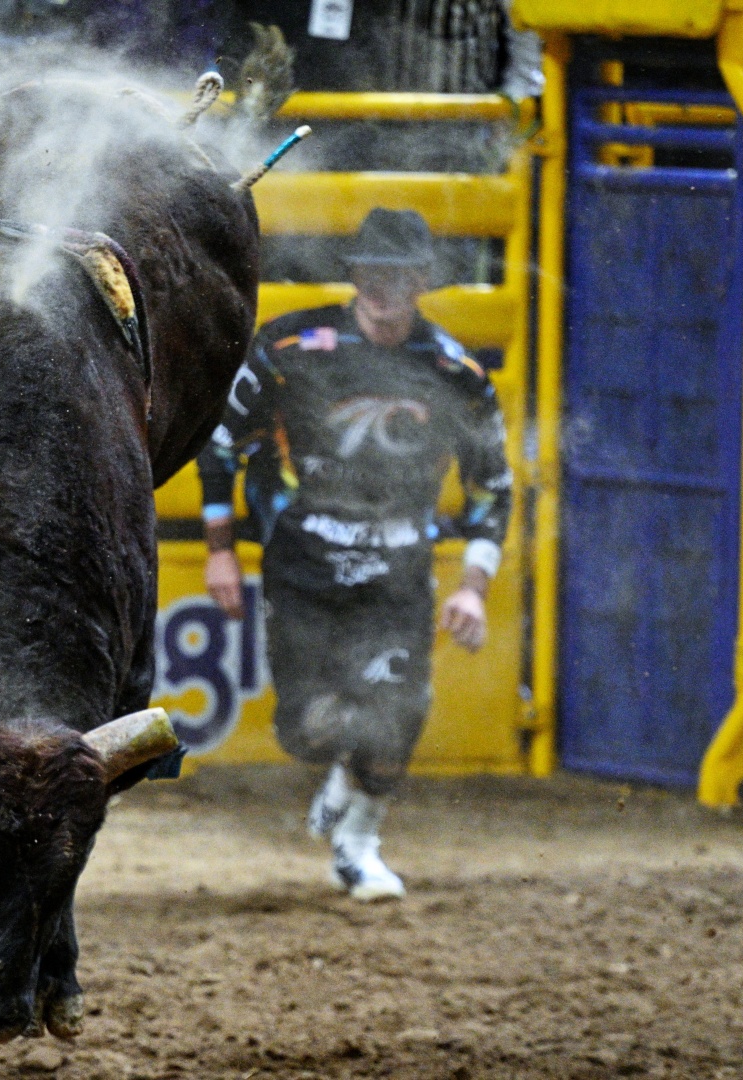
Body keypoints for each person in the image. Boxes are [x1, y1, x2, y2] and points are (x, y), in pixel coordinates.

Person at [198, 208, 512, 900]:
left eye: (400, 273)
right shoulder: (289, 348)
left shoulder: (455, 372)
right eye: (373, 270)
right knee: (309, 730)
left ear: (423, 280)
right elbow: (221, 444)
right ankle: (340, 774)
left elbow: (493, 486)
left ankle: (361, 841)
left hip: (400, 574)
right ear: (355, 275)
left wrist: (472, 588)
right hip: (302, 565)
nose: (385, 285)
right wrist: (221, 551)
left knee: (398, 711)